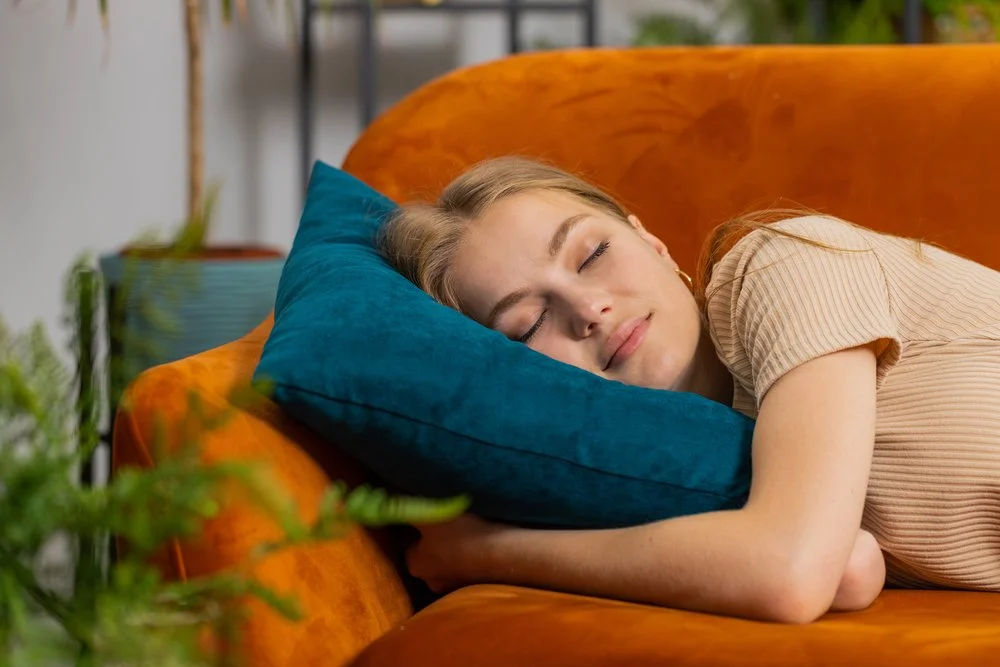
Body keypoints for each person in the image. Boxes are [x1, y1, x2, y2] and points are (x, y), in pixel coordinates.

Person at [378, 156, 1000, 624]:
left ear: (651, 242)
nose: (589, 308)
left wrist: (488, 553)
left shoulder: (778, 264)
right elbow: (852, 569)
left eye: (591, 253)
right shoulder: (690, 463)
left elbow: (790, 572)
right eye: (529, 324)